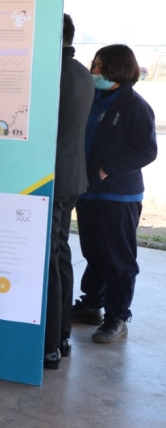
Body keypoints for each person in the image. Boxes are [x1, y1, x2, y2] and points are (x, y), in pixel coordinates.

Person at [71, 44, 157, 344]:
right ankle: (92, 304)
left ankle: (117, 316)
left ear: (116, 70)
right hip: (89, 192)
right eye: (93, 65)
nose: (93, 71)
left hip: (118, 195)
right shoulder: (94, 98)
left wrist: (108, 168)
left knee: (118, 259)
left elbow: (147, 150)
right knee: (94, 254)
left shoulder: (134, 106)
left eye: (98, 66)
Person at [43, 14, 94, 369]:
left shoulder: (52, 72)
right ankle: (61, 335)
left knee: (50, 256)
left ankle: (50, 344)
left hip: (53, 178)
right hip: (72, 176)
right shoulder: (80, 71)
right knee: (60, 254)